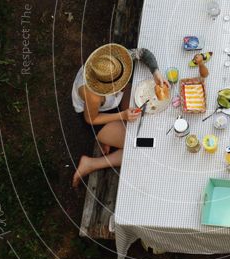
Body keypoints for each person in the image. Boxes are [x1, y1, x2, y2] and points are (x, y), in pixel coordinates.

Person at [71, 43, 167, 187]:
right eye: (117, 85)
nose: (121, 85)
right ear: (105, 87)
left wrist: (156, 72)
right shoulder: (93, 95)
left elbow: (144, 53)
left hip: (113, 103)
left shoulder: (114, 62)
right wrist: (122, 116)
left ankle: (110, 138)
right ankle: (91, 163)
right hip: (96, 116)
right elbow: (90, 119)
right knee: (140, 145)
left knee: (146, 110)